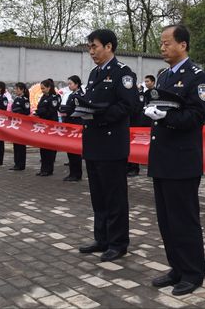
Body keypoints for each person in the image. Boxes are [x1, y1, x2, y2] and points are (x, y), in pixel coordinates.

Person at [146, 24, 205, 296]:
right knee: (167, 220)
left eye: (167, 43)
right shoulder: (163, 76)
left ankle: (193, 273)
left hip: (182, 161)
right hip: (162, 157)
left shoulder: (197, 76)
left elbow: (196, 116)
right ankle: (177, 267)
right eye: (161, 43)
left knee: (184, 220)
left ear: (183, 45)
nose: (162, 48)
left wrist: (166, 117)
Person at [76, 29, 140, 263]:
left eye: (94, 46)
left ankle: (118, 243)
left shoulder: (123, 73)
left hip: (112, 144)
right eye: (89, 47)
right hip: (93, 143)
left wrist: (99, 116)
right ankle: (101, 238)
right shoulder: (95, 73)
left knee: (114, 197)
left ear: (109, 46)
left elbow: (129, 105)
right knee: (99, 196)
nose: (91, 51)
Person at [61, 75, 85, 181]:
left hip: (76, 124)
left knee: (75, 151)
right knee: (70, 150)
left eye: (70, 83)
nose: (69, 86)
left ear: (77, 84)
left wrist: (66, 109)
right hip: (69, 124)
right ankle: (72, 173)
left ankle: (76, 174)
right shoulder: (71, 95)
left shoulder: (80, 95)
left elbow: (78, 109)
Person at [35, 79, 61, 176]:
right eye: (41, 88)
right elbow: (40, 107)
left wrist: (39, 112)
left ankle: (48, 170)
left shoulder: (54, 97)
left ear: (49, 87)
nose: (42, 90)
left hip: (50, 125)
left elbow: (51, 111)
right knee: (43, 148)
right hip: (43, 125)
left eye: (43, 88)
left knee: (49, 149)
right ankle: (43, 169)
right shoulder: (44, 96)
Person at [10, 82, 30, 170]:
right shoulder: (16, 99)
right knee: (16, 145)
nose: (15, 90)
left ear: (22, 90)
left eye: (17, 89)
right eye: (15, 89)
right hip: (15, 124)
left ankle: (21, 164)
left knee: (21, 145)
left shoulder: (25, 100)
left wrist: (19, 112)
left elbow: (27, 112)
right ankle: (16, 163)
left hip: (21, 125)